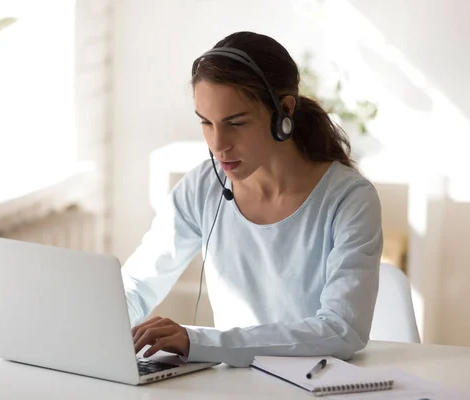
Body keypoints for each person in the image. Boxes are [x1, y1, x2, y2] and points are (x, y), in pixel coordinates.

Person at [122, 31, 383, 368]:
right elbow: (138, 284)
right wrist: (100, 328)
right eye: (206, 122)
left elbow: (342, 329)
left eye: (236, 123)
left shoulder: (349, 200)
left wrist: (197, 341)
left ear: (284, 110)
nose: (218, 144)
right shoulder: (203, 185)